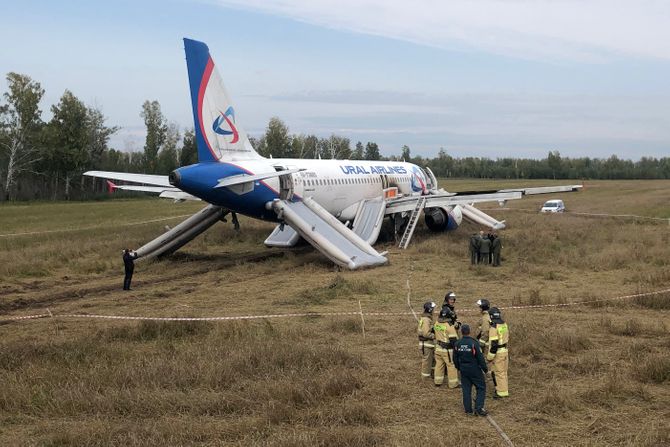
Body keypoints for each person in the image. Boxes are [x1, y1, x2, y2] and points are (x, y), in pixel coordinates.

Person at [454, 324, 488, 416]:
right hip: (474, 369)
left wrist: (459, 368)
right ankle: (479, 408)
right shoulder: (474, 343)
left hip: (463, 370)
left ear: (461, 332)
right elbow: (480, 358)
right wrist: (485, 369)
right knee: (481, 387)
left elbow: (455, 358)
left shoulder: (457, 343)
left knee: (466, 390)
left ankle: (468, 410)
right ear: (469, 331)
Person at [433, 307, 460, 388]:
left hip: (438, 348)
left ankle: (437, 381)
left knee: (439, 365)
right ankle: (453, 384)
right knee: (451, 366)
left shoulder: (437, 323)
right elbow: (454, 341)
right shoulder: (449, 326)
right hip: (447, 350)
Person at [486, 307, 510, 398]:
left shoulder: (494, 327)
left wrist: (489, 357)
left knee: (498, 373)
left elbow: (494, 345)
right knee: (503, 372)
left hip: (498, 354)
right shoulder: (504, 324)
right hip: (505, 350)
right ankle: (504, 389)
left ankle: (501, 392)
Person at [418, 301, 436, 379]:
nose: (434, 310)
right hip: (426, 344)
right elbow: (426, 333)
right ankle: (425, 378)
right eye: (433, 309)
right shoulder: (426, 320)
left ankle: (431, 375)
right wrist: (434, 336)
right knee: (426, 362)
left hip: (427, 344)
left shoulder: (426, 318)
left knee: (431, 361)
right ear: (429, 309)